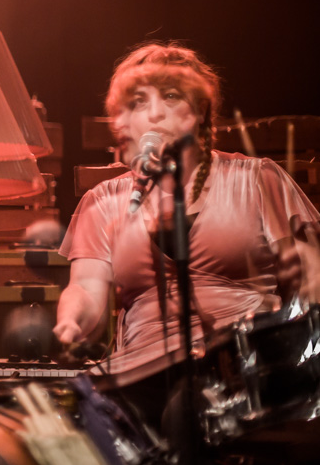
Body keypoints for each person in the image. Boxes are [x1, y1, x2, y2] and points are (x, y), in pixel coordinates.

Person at [53, 41, 319, 427]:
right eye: (139, 102)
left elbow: (311, 273)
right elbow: (86, 288)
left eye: (171, 96)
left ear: (199, 111)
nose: (155, 113)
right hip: (141, 369)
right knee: (74, 424)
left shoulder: (258, 179)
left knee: (188, 410)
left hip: (240, 364)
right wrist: (70, 321)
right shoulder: (104, 201)